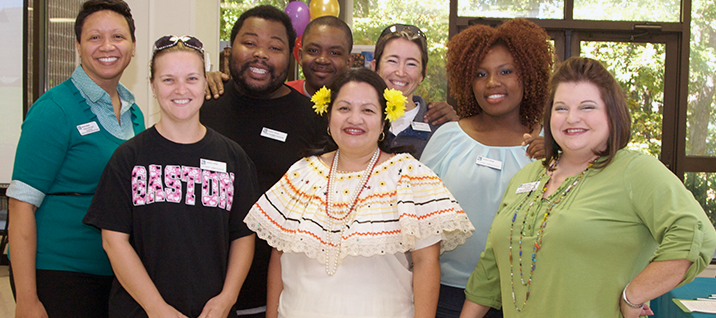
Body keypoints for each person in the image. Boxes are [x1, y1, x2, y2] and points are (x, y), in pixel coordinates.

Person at [460, 56, 716, 318]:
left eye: (587, 107)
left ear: (611, 113)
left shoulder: (635, 171)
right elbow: (490, 272)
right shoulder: (526, 176)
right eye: (561, 108)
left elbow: (695, 236)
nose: (572, 118)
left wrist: (634, 295)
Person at [244, 68, 475, 318]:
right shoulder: (301, 173)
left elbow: (426, 263)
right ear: (329, 116)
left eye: (367, 110)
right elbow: (279, 257)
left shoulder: (409, 175)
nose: (354, 119)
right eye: (344, 108)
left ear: (384, 120)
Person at [83, 35, 258, 318]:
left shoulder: (233, 158)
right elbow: (113, 241)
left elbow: (244, 235)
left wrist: (227, 298)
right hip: (142, 311)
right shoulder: (128, 159)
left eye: (191, 78)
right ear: (152, 86)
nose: (181, 89)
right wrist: (157, 308)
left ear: (205, 82)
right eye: (168, 80)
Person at [6, 1, 145, 317]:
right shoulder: (53, 110)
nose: (107, 46)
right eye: (94, 37)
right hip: (59, 271)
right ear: (78, 47)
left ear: (133, 46)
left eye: (118, 37)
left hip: (115, 271)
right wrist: (27, 299)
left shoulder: (134, 113)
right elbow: (20, 205)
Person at [419, 19, 552, 318]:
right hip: (447, 296)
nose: (492, 82)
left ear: (528, 76)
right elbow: (417, 220)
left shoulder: (554, 147)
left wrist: (559, 156)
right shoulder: (447, 138)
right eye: (481, 73)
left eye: (506, 71)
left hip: (528, 298)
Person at [199, 5, 325, 317]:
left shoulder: (312, 119)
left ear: (290, 57)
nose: (261, 54)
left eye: (274, 47)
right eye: (250, 42)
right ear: (229, 51)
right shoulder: (202, 102)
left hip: (274, 294)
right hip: (197, 289)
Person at [204, 19, 457, 128]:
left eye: (335, 53)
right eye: (313, 50)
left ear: (349, 61)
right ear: (299, 54)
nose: (323, 60)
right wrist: (208, 81)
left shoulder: (434, 121)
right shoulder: (281, 95)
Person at [371, 24, 458, 158]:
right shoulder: (358, 118)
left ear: (422, 74)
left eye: (411, 64)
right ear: (375, 66)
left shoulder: (439, 126)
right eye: (392, 61)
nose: (400, 72)